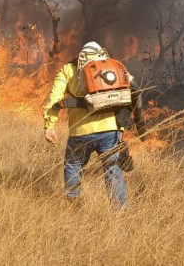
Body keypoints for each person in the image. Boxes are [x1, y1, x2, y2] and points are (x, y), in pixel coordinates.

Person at [43, 41, 144, 208]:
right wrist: (140, 126)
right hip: (110, 131)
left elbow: (54, 99)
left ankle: (72, 204)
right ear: (101, 52)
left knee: (74, 165)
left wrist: (49, 126)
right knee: (113, 170)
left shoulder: (68, 69)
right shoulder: (113, 65)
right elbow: (135, 89)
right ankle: (120, 212)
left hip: (80, 131)